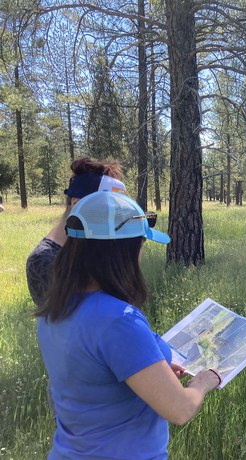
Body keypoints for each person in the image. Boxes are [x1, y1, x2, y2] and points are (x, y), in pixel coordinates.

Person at [35, 191, 222, 459]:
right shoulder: (118, 320)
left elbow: (90, 373)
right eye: (140, 246)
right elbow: (179, 410)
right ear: (122, 253)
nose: (141, 256)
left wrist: (147, 369)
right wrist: (204, 382)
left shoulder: (54, 307)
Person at [26, 157, 126, 308]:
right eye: (106, 209)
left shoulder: (91, 243)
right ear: (77, 204)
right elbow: (73, 322)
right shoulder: (43, 260)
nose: (112, 218)